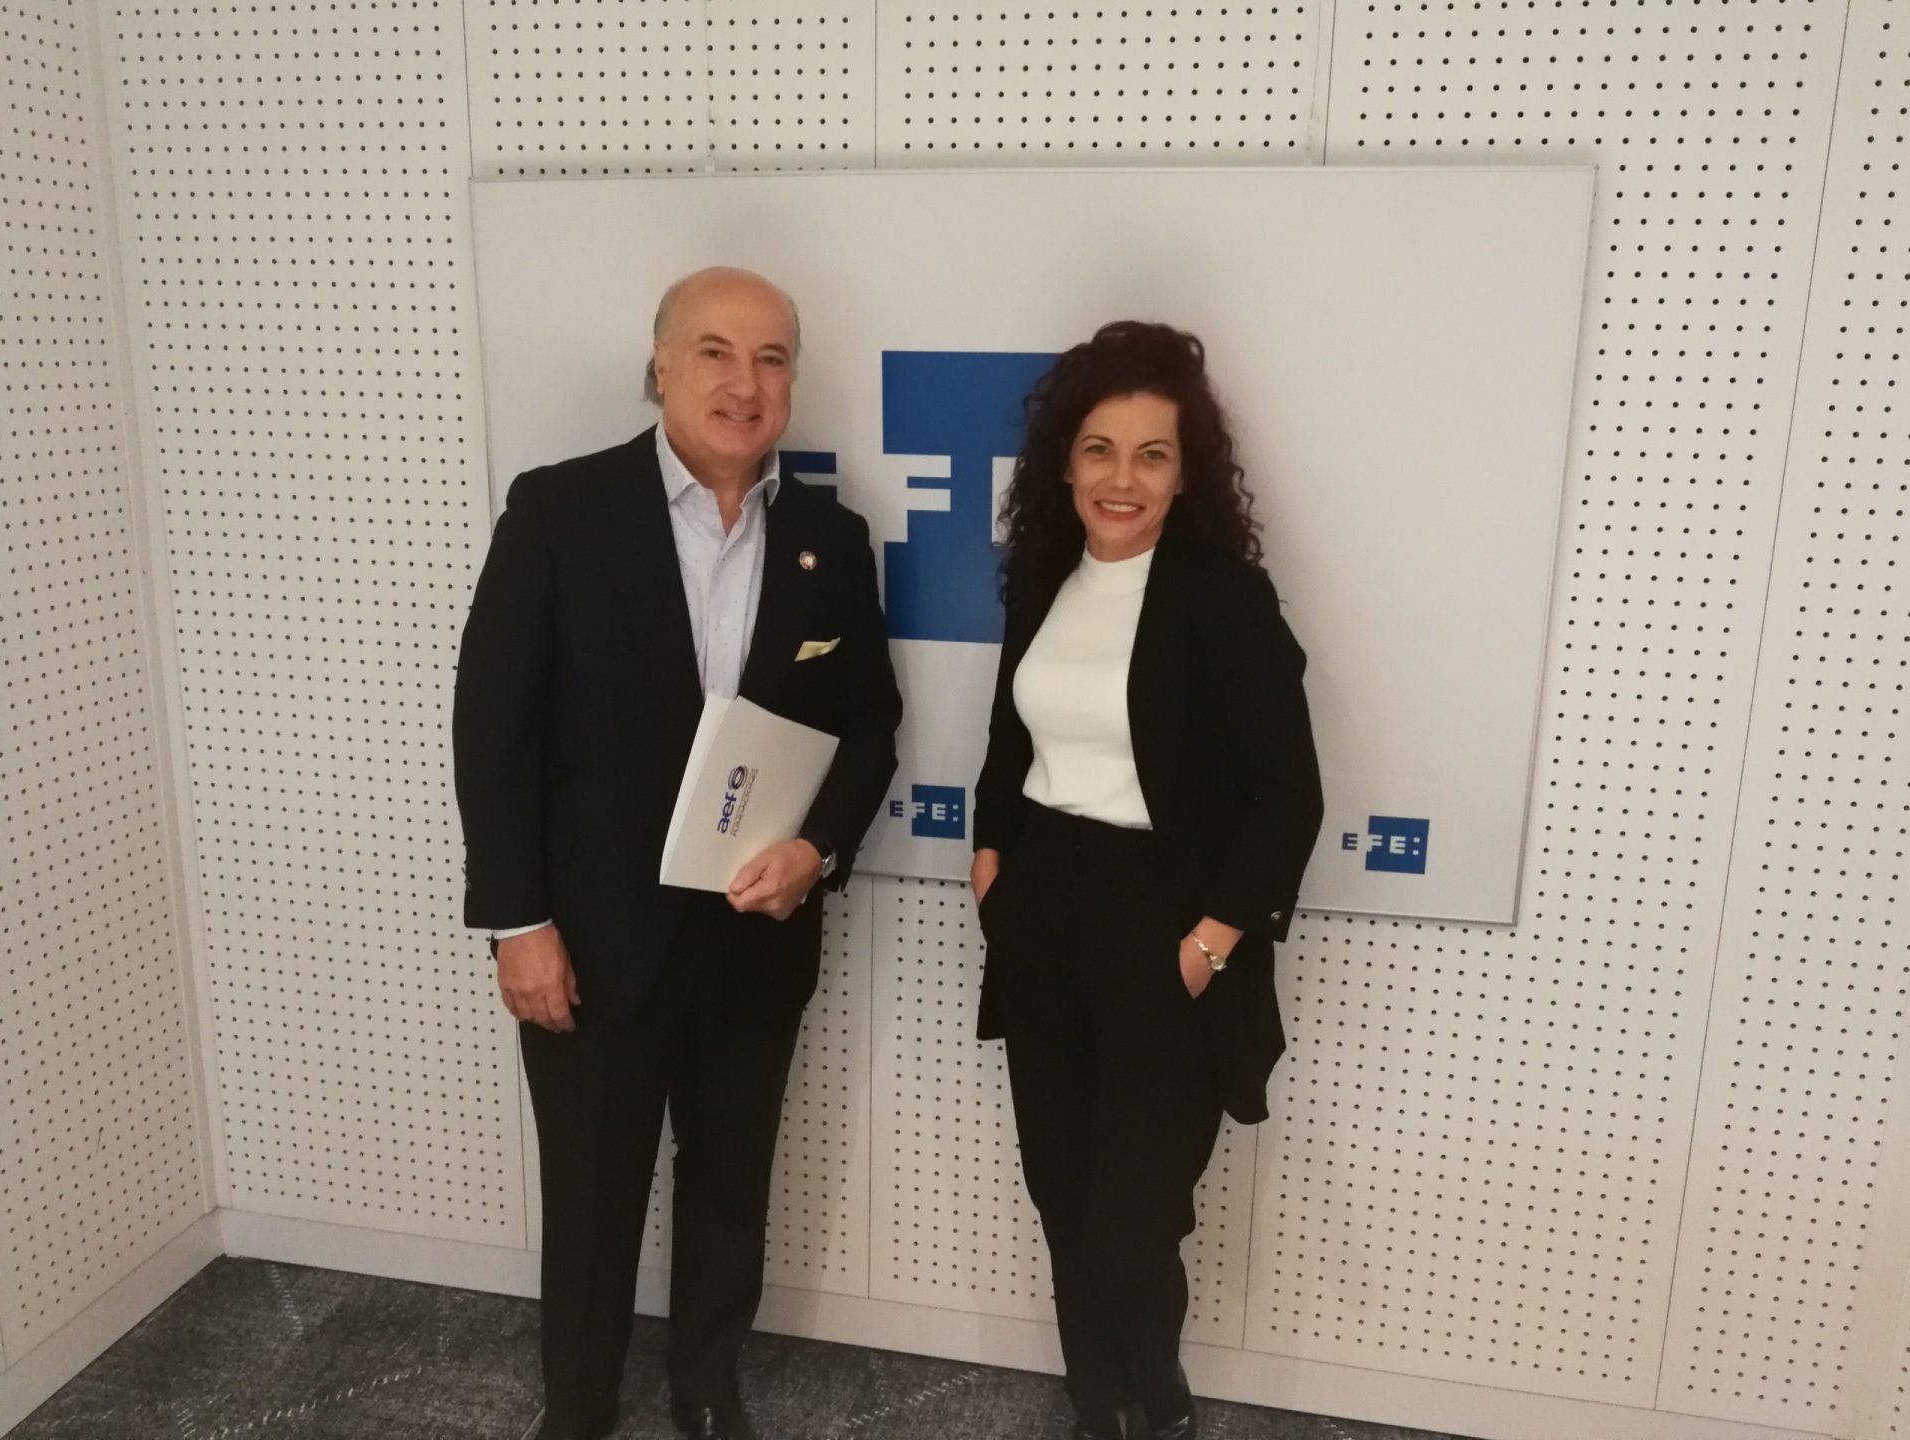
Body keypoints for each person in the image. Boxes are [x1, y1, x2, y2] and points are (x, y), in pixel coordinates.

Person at [453, 267, 901, 1440]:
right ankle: (579, 1411)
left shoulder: (830, 539)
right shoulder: (560, 511)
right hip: (591, 945)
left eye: (771, 359)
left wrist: (818, 850)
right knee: (591, 1205)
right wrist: (517, 923)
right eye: (714, 352)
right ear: (659, 366)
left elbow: (870, 727)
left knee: (730, 1189)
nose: (744, 384)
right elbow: (493, 728)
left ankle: (705, 1391)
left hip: (756, 939)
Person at [970, 321, 1324, 1440]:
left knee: (1130, 1222)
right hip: (1042, 903)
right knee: (1061, 1194)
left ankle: (1155, 1397)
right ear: (1064, 463)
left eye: (1151, 454)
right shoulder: (1043, 580)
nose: (1121, 479)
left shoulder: (1225, 599)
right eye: (1099, 450)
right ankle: (1098, 1404)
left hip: (1164, 920)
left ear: (1185, 472)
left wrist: (1210, 942)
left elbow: (1289, 797)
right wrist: (990, 859)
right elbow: (1009, 738)